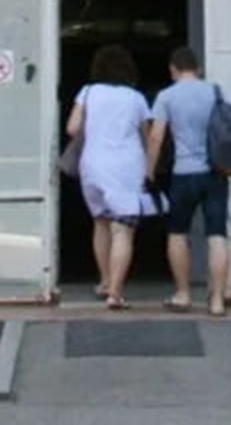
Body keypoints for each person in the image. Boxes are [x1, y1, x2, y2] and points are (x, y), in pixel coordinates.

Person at [66, 44, 161, 310]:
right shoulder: (136, 98)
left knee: (101, 224)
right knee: (122, 230)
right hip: (127, 168)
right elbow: (147, 137)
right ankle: (116, 294)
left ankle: (105, 281)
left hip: (93, 165)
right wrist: (151, 169)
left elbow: (72, 128)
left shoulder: (88, 92)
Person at [148, 46, 230, 317]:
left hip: (183, 174)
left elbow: (156, 137)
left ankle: (183, 294)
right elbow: (227, 131)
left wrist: (149, 171)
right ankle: (217, 301)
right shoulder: (215, 92)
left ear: (172, 69)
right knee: (217, 235)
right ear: (199, 68)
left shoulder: (166, 96)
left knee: (177, 233)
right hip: (215, 173)